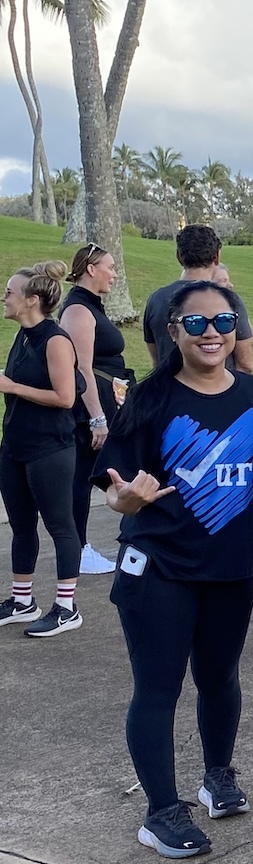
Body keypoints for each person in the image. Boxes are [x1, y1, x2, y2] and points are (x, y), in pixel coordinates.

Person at [92, 280, 253, 859]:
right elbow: (114, 486)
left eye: (223, 322)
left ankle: (217, 776)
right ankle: (161, 812)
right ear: (173, 331)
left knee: (221, 677)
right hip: (160, 568)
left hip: (230, 568)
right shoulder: (150, 398)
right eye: (195, 323)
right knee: (158, 687)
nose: (211, 333)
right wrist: (124, 502)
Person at [0, 262, 84, 637]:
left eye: (9, 292)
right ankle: (22, 601)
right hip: (15, 445)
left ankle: (67, 608)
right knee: (21, 526)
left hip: (50, 448)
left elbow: (65, 398)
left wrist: (11, 387)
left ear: (32, 300)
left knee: (60, 527)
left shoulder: (55, 340)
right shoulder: (23, 335)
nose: (4, 298)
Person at [61, 243, 135, 575]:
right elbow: (82, 368)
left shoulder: (90, 306)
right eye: (110, 267)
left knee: (101, 473)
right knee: (83, 477)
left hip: (107, 405)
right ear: (91, 269)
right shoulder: (78, 310)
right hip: (92, 412)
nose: (114, 274)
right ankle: (77, 550)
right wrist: (97, 418)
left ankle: (83, 547)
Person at [144, 225, 253, 374]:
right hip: (217, 386)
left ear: (179, 257)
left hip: (168, 386)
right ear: (216, 257)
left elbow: (157, 359)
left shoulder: (156, 300)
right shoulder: (226, 300)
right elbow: (245, 364)